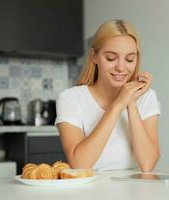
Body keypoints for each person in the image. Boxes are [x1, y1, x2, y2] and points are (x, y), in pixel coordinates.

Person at [55, 19, 161, 172]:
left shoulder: (146, 97)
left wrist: (130, 102)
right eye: (111, 58)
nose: (121, 67)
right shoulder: (70, 99)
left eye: (130, 59)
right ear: (94, 56)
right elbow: (80, 164)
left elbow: (147, 164)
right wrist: (118, 105)